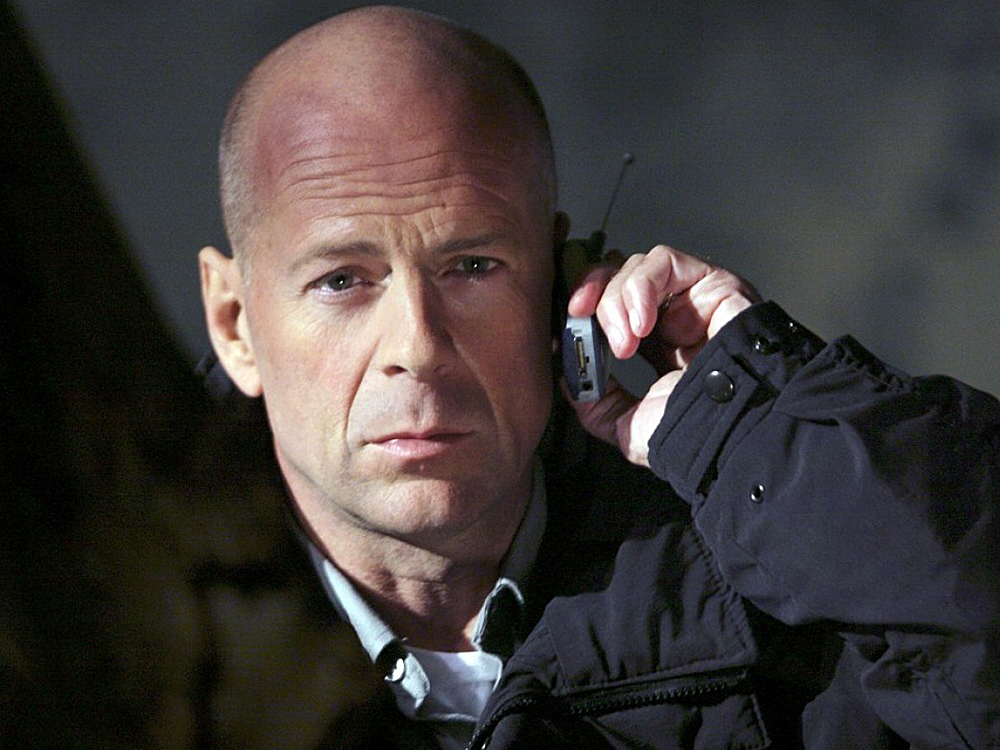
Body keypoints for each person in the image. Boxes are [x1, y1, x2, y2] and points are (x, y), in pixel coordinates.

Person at [198, 5, 999, 748]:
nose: (419, 346)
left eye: (472, 266)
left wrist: (757, 420)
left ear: (558, 287)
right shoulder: (136, 641)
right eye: (341, 280)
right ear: (235, 324)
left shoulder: (775, 584)